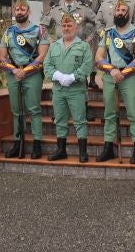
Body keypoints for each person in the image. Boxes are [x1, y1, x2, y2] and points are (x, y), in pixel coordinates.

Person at [94, 0, 135, 164]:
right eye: (118, 10)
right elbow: (98, 57)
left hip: (129, 77)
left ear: (128, 13)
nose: (120, 13)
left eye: (123, 10)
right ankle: (108, 147)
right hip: (110, 75)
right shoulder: (108, 33)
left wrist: (123, 72)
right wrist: (113, 70)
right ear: (114, 13)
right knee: (109, 113)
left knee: (133, 113)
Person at [0, 0, 49, 160]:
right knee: (16, 111)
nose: (19, 12)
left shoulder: (39, 30)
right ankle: (17, 142)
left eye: (23, 9)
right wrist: (14, 70)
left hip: (32, 74)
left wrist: (25, 71)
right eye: (17, 10)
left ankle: (37, 144)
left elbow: (41, 55)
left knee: (34, 110)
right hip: (14, 75)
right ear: (14, 12)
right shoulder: (8, 32)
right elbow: (2, 56)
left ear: (29, 12)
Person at [40, 0, 98, 117]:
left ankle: (84, 108)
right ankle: (59, 110)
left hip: (79, 47)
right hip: (61, 47)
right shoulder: (55, 10)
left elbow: (97, 22)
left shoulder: (83, 8)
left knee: (81, 78)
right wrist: (50, 40)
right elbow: (42, 26)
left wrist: (90, 38)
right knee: (60, 76)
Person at [43, 13, 94, 162]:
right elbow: (47, 66)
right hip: (58, 90)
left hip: (76, 90)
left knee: (80, 121)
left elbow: (87, 66)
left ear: (76, 27)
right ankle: (61, 150)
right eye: (64, 25)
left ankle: (83, 152)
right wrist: (58, 76)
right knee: (60, 120)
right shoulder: (54, 46)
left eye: (69, 25)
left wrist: (72, 77)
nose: (66, 28)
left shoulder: (83, 46)